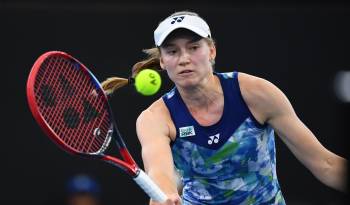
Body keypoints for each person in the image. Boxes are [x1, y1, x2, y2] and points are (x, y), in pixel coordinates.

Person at [101, 11, 348, 205]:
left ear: (212, 50)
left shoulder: (257, 93)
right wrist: (164, 196)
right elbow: (160, 172)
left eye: (194, 47)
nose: (184, 58)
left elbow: (325, 164)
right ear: (163, 62)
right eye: (173, 51)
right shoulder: (155, 118)